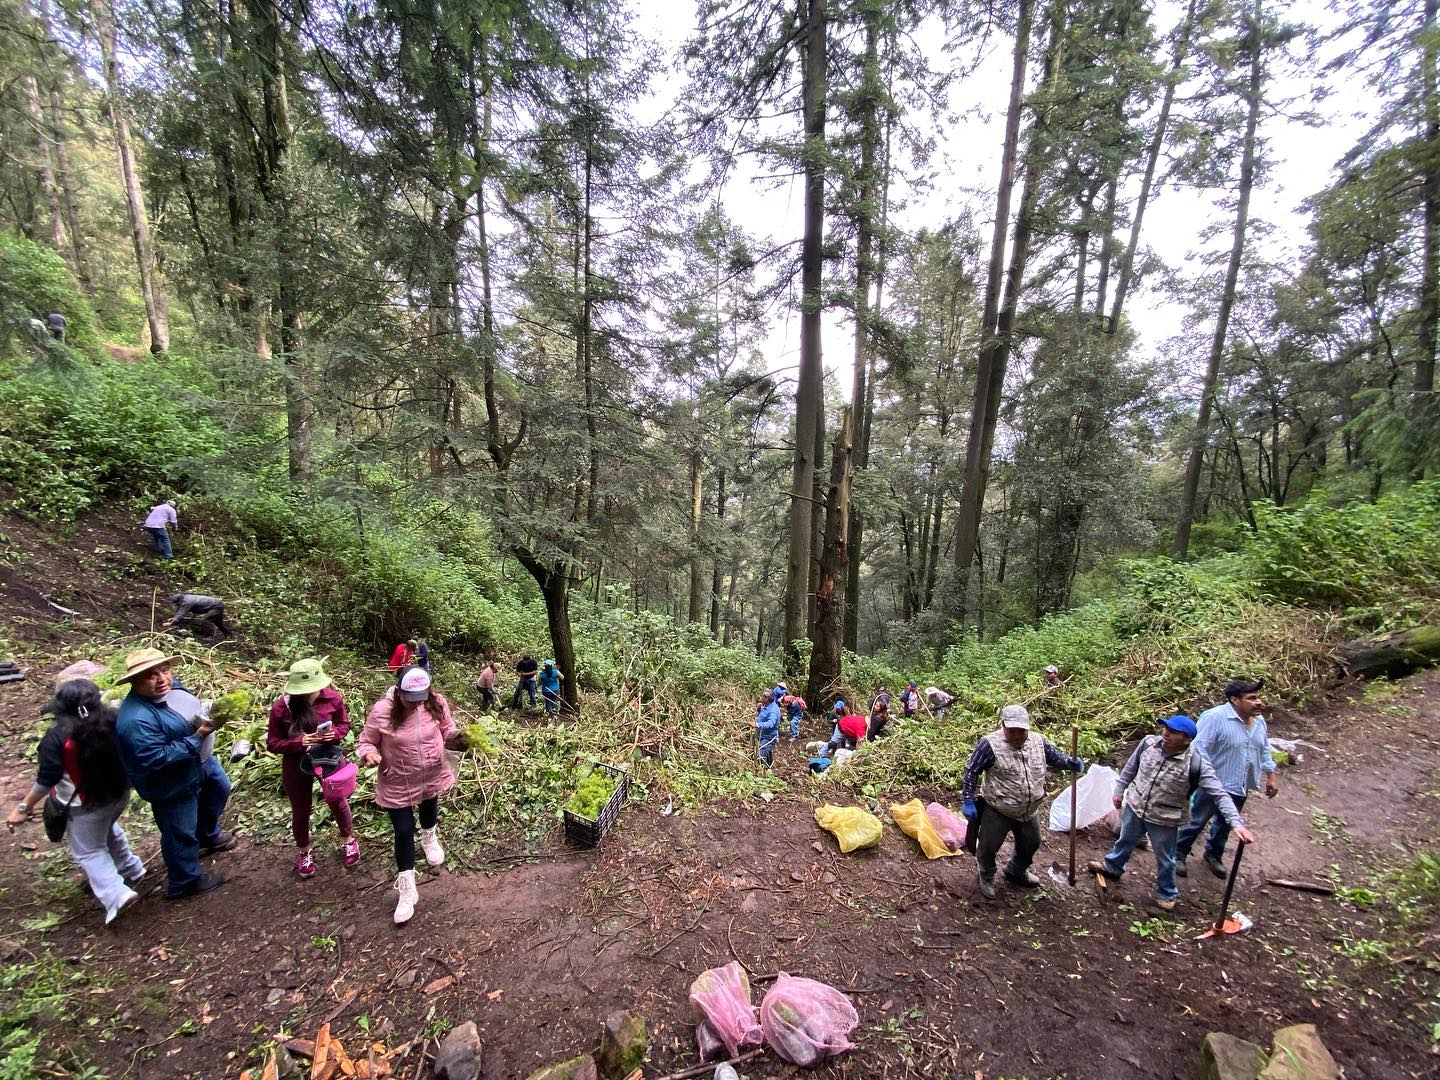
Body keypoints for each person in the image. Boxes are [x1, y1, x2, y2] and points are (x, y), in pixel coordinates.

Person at [6, 679, 146, 924]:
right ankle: (131, 868)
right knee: (107, 829)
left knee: (90, 851)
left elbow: (46, 779)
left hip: (85, 805)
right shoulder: (115, 719)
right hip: (119, 795)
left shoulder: (57, 737)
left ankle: (116, 895)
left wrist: (23, 807)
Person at [1090, 714, 1254, 911]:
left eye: (1173, 732)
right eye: (1165, 728)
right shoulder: (1148, 744)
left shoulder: (1196, 764)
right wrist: (1119, 791)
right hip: (1135, 805)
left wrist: (1236, 823)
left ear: (1186, 739)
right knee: (1126, 839)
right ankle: (1113, 867)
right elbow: (1130, 767)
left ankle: (1167, 894)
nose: (1165, 733)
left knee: (1165, 857)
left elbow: (1220, 794)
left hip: (1164, 818)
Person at [114, 649, 234, 900]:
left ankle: (207, 835)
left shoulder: (167, 689)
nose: (162, 679)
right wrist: (198, 736)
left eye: (165, 670)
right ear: (134, 681)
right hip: (169, 779)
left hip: (197, 761)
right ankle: (184, 881)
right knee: (179, 829)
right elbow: (156, 758)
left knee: (219, 788)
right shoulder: (135, 720)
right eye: (150, 675)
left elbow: (181, 699)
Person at [356, 665, 466, 924]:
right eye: (410, 700)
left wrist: (461, 738)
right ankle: (407, 888)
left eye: (420, 699)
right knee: (404, 830)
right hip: (398, 780)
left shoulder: (435, 702)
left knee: (429, 809)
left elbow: (448, 730)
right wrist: (368, 754)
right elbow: (366, 740)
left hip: (431, 773)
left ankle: (429, 838)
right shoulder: (382, 711)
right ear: (399, 692)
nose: (416, 705)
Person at [961, 704, 1085, 899]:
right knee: (989, 845)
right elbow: (971, 771)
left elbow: (1053, 757)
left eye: (1022, 731)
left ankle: (1016, 870)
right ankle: (986, 875)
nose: (1018, 735)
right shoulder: (989, 744)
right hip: (998, 808)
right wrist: (967, 798)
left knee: (1031, 843)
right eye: (1013, 731)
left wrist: (1067, 762)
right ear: (1003, 726)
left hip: (1030, 809)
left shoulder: (1037, 741)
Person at [266, 658, 359, 879]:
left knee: (337, 799)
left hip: (327, 757)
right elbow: (272, 742)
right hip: (295, 762)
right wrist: (299, 743)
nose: (311, 694)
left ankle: (348, 840)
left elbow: (344, 725)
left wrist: (333, 734)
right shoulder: (282, 707)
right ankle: (304, 851)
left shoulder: (333, 698)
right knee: (301, 809)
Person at [1176, 678, 1277, 879]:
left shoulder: (1259, 721)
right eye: (1252, 698)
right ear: (1234, 700)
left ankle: (1213, 854)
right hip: (1213, 783)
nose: (1259, 702)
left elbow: (1263, 749)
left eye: (1258, 697)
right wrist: (1207, 778)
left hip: (1241, 782)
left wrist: (1271, 776)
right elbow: (1198, 749)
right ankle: (1178, 853)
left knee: (1226, 823)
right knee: (1196, 820)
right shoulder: (1214, 718)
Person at [165, 593, 231, 638]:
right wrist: (173, 618)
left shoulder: (187, 602)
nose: (176, 605)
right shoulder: (185, 598)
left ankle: (209, 636)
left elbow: (182, 612)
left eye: (176, 603)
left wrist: (171, 623)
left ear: (179, 600)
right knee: (218, 623)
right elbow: (180, 611)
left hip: (216, 606)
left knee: (206, 620)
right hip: (216, 604)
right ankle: (228, 634)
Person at [755, 691, 781, 768]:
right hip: (762, 734)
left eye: (763, 697)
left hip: (769, 737)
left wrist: (757, 725)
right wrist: (759, 709)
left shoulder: (773, 711)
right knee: (767, 751)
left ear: (768, 699)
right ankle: (769, 767)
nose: (761, 698)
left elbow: (770, 724)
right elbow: (762, 715)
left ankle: (763, 770)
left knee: (760, 754)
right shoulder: (766, 705)